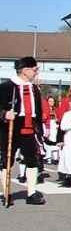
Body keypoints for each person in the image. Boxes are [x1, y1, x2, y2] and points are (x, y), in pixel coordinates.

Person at [0, 56, 47, 205]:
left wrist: (40, 128)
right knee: (6, 160)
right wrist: (4, 114)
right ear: (25, 71)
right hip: (11, 127)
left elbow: (37, 111)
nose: (36, 72)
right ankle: (6, 192)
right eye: (35, 69)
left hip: (29, 126)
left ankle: (31, 193)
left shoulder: (34, 88)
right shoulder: (6, 86)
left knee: (32, 159)